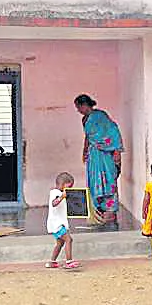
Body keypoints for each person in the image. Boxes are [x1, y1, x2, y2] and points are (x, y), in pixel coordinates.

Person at [74, 94, 124, 226]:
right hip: (94, 154)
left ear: (85, 105)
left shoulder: (101, 116)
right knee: (95, 181)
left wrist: (117, 150)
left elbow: (113, 130)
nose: (78, 110)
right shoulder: (85, 119)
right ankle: (99, 211)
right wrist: (84, 150)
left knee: (108, 180)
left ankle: (110, 211)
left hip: (106, 154)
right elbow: (88, 136)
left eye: (79, 107)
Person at [45, 172, 80, 269]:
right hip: (56, 224)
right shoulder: (55, 193)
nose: (70, 189)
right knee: (69, 239)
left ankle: (52, 262)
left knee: (60, 243)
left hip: (60, 223)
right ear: (62, 184)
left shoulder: (61, 194)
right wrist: (62, 197)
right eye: (69, 186)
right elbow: (54, 203)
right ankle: (69, 261)